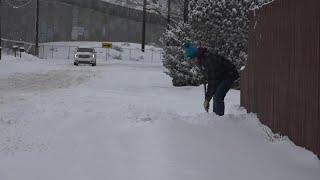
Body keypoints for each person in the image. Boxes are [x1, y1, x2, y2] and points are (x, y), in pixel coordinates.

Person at [183, 43, 239, 116]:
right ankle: (215, 117)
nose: (192, 62)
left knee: (217, 96)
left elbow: (212, 81)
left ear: (196, 56)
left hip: (229, 74)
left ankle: (219, 120)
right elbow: (210, 77)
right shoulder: (202, 60)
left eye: (192, 59)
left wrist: (207, 99)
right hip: (221, 76)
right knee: (215, 95)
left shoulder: (207, 60)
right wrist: (208, 98)